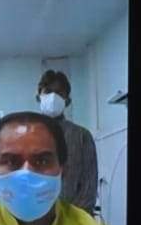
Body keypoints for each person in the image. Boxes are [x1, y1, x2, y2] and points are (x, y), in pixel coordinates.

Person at [37, 69, 99, 214]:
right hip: (34, 217)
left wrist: (71, 219)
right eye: (48, 91)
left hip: (74, 218)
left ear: (68, 101)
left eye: (59, 93)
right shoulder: (27, 136)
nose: (53, 97)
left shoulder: (82, 136)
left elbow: (89, 186)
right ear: (38, 97)